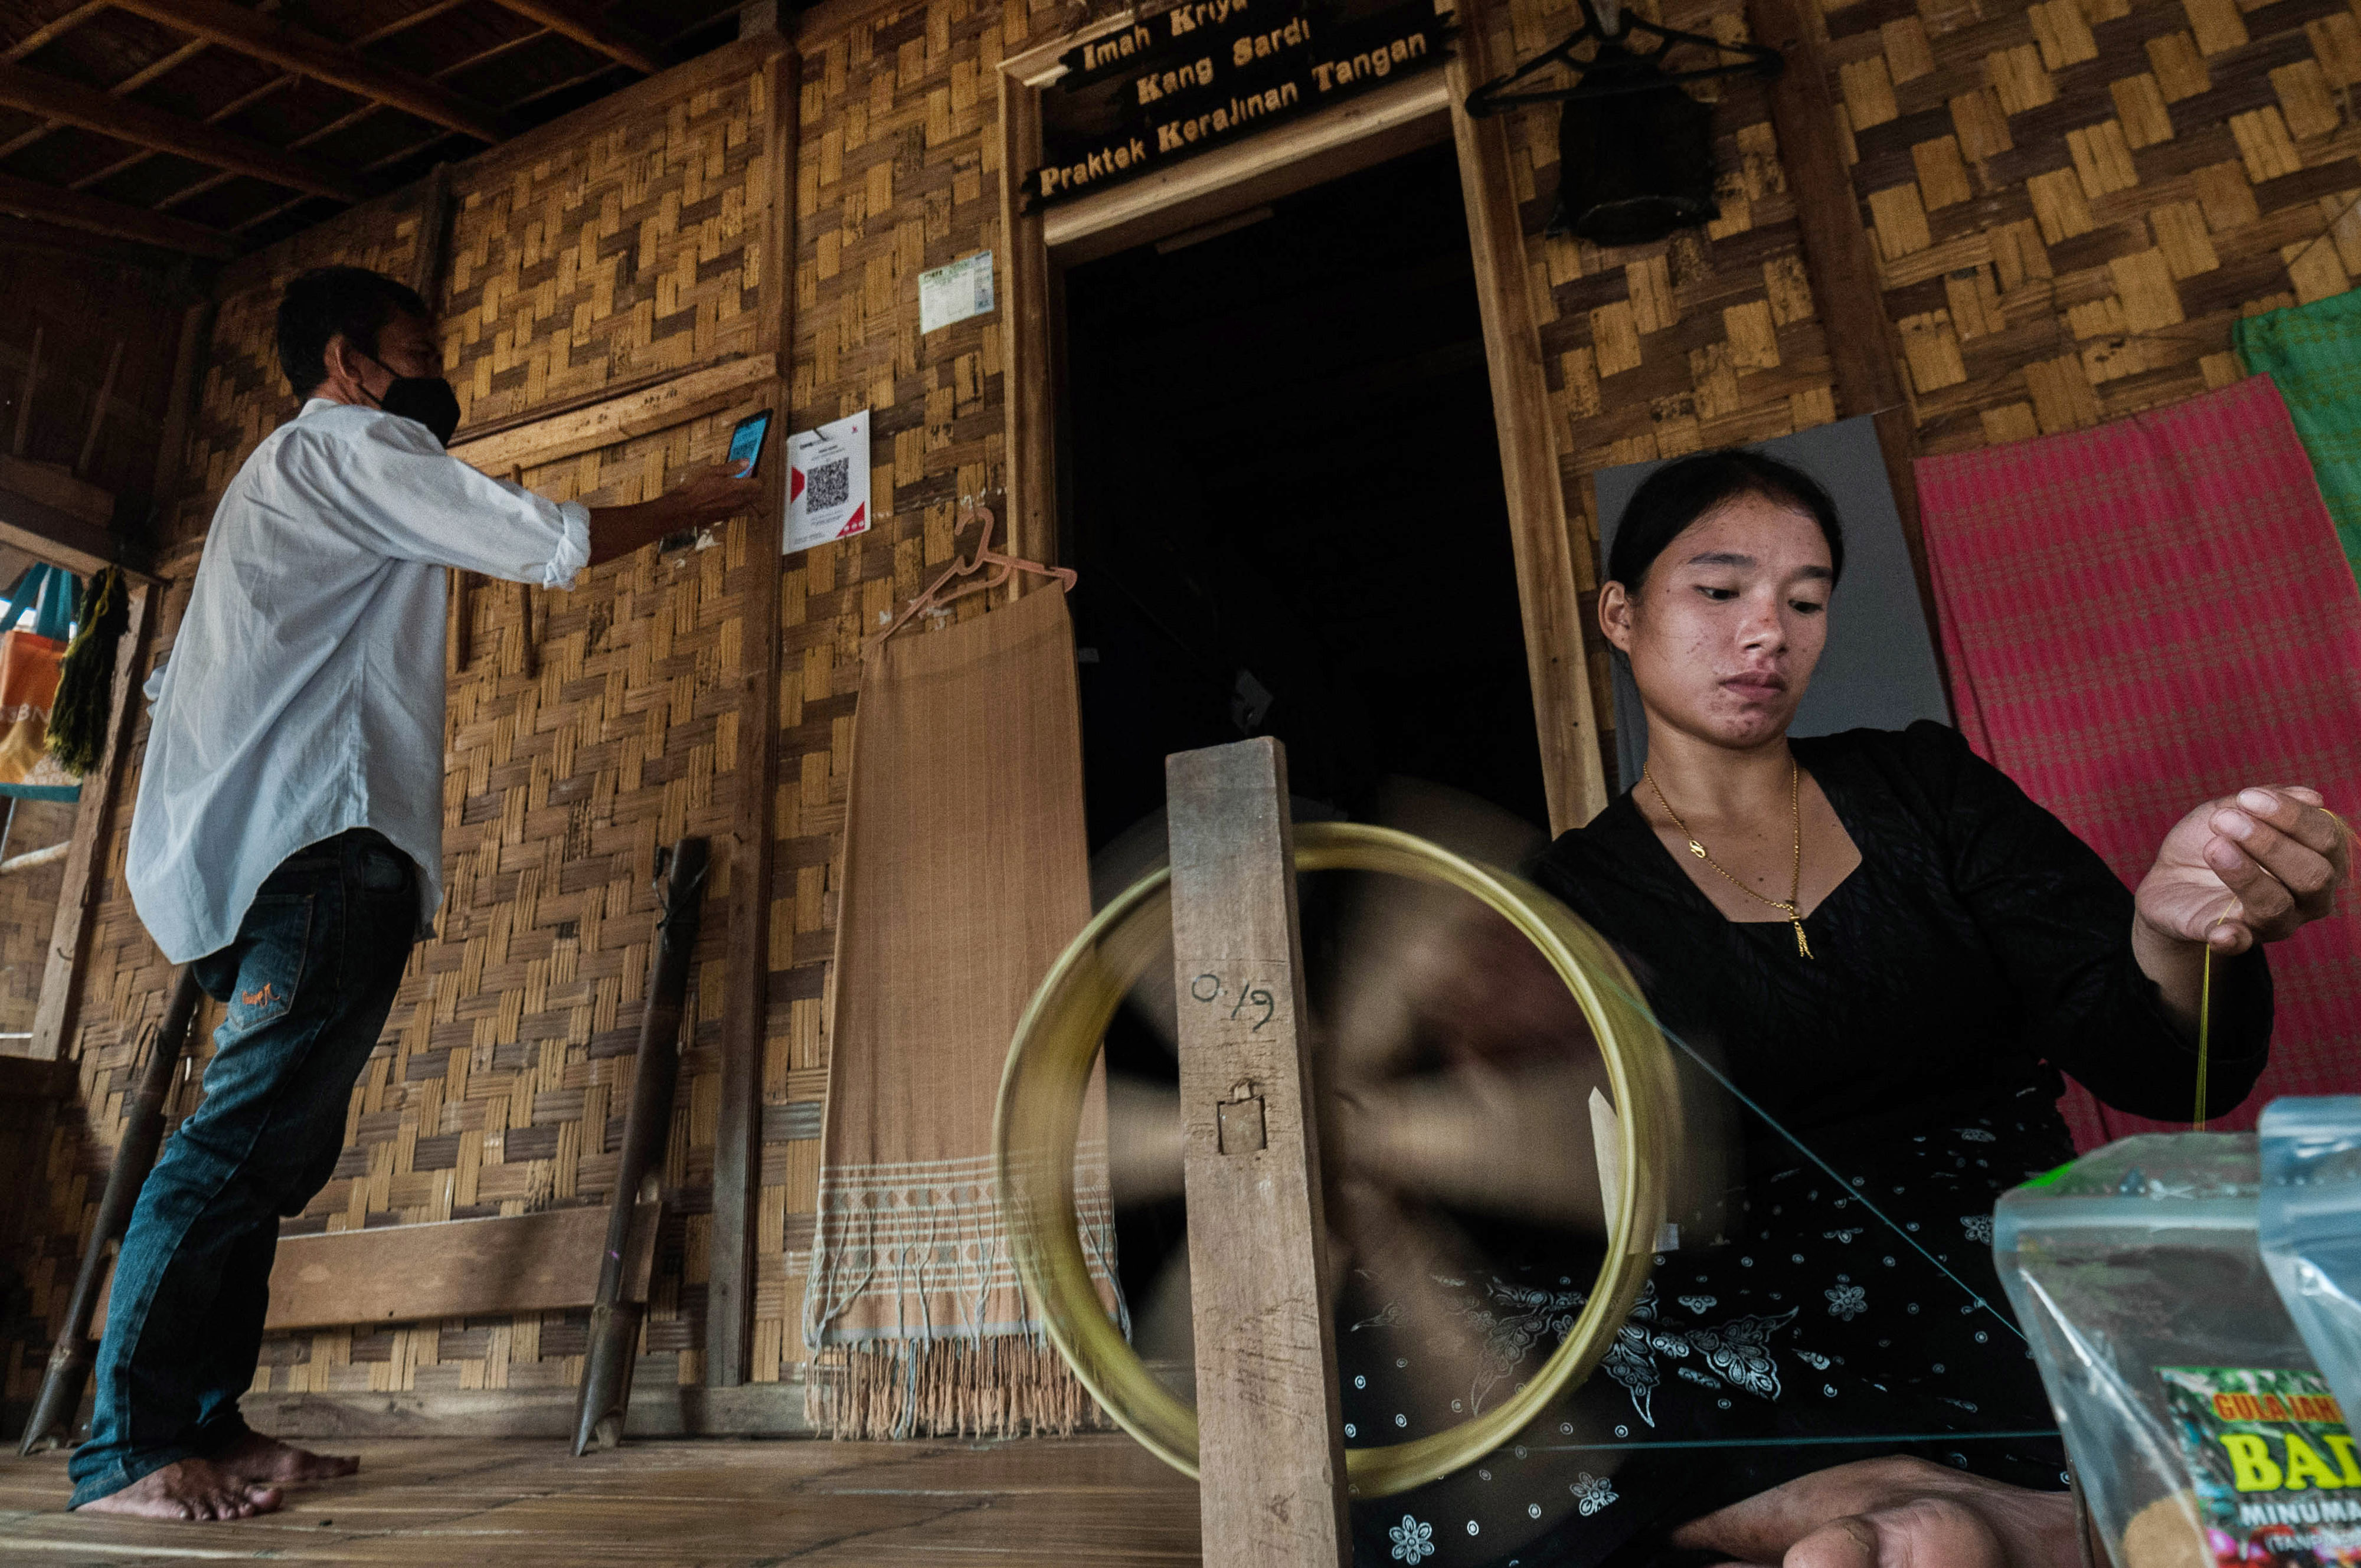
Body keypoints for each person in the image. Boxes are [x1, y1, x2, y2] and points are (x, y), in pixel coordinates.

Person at [1339, 447, 2349, 1567]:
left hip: (1989, 1256)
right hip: (1740, 1306)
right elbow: (1533, 1208)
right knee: (1380, 1355)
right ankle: (1967, 1509)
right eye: (1720, 592)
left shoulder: (1927, 787)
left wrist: (2171, 933)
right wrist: (1438, 1101)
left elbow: (2175, 1075)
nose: (1768, 631)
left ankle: (1876, 1517)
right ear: (1619, 614)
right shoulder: (1563, 900)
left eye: (1805, 599)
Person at [68, 266, 764, 1521]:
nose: (436, 373)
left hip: (256, 864)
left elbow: (187, 693)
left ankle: (206, 1427)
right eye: (418, 348)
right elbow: (542, 537)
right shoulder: (348, 445)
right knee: (230, 1150)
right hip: (316, 850)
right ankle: (122, 1453)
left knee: (265, 1162)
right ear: (348, 361)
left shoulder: (264, 491)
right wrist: (699, 500)